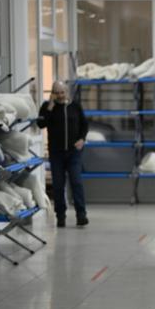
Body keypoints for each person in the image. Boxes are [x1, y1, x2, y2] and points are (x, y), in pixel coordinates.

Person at [38, 80, 89, 228]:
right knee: (58, 185)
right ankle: (60, 216)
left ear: (67, 92)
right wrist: (50, 107)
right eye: (57, 92)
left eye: (62, 92)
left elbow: (84, 124)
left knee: (76, 182)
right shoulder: (47, 107)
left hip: (74, 153)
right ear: (53, 93)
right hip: (56, 153)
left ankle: (81, 214)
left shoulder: (75, 106)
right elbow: (41, 124)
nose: (60, 95)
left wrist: (82, 139)